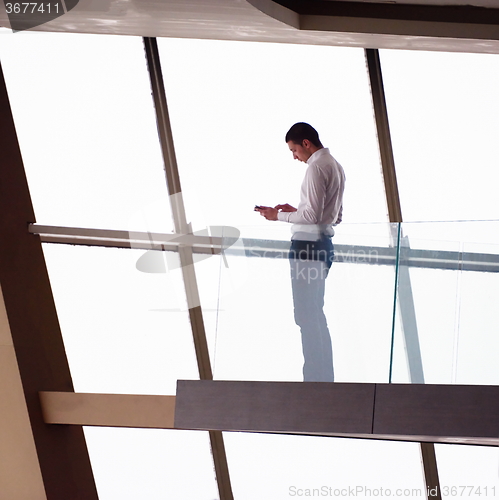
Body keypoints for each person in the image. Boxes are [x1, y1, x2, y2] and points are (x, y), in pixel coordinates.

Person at [256, 122, 345, 382]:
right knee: (314, 311)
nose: (295, 157)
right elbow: (333, 217)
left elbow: (312, 215)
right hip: (324, 245)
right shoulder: (336, 166)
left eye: (294, 150)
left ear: (306, 143)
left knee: (305, 314)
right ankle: (323, 376)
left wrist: (279, 215)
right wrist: (295, 210)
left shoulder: (316, 167)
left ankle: (316, 379)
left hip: (307, 247)